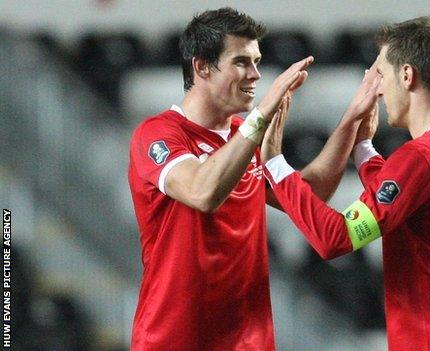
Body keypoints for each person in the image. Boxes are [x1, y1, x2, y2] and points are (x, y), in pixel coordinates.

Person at [263, 16, 430, 350]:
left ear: (406, 75)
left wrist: (275, 163)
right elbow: (406, 197)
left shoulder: (424, 156)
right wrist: (363, 148)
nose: (380, 89)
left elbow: (335, 238)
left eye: (381, 76)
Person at [127, 7, 379, 351]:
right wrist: (260, 117)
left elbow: (308, 195)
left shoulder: (241, 137)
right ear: (202, 66)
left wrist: (350, 122)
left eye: (257, 61)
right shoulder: (157, 134)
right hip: (174, 339)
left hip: (248, 342)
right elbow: (202, 192)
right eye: (241, 62)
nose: (256, 75)